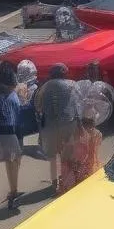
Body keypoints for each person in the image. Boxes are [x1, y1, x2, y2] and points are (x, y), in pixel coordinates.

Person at [33, 64, 80, 193]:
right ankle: (66, 181)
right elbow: (77, 106)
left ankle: (54, 183)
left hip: (50, 125)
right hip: (68, 124)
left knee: (53, 157)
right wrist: (80, 126)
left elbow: (38, 106)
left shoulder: (44, 87)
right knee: (67, 155)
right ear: (65, 73)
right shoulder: (72, 85)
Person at [0, 61, 23, 210]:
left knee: (11, 164)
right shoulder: (11, 97)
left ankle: (13, 190)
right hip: (10, 134)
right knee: (14, 163)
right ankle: (13, 193)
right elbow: (14, 119)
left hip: (1, 134)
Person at [58, 114, 103, 195]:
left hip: (83, 168)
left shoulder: (95, 135)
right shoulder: (94, 134)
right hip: (79, 168)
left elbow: (93, 154)